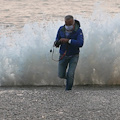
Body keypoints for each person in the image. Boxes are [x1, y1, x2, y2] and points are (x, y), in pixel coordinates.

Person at [54, 15, 84, 91]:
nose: (68, 26)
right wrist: (57, 43)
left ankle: (68, 90)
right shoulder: (61, 29)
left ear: (73, 22)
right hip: (63, 54)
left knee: (70, 73)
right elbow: (57, 39)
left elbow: (80, 43)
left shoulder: (78, 31)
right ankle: (70, 79)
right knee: (61, 75)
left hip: (74, 55)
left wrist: (68, 41)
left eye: (70, 24)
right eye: (66, 24)